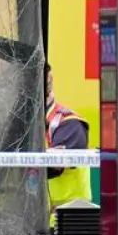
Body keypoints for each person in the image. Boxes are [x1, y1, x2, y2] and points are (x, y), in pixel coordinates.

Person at [44, 62, 92, 224]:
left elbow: (55, 166)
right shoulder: (25, 125)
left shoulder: (68, 123)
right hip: (32, 229)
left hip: (66, 229)